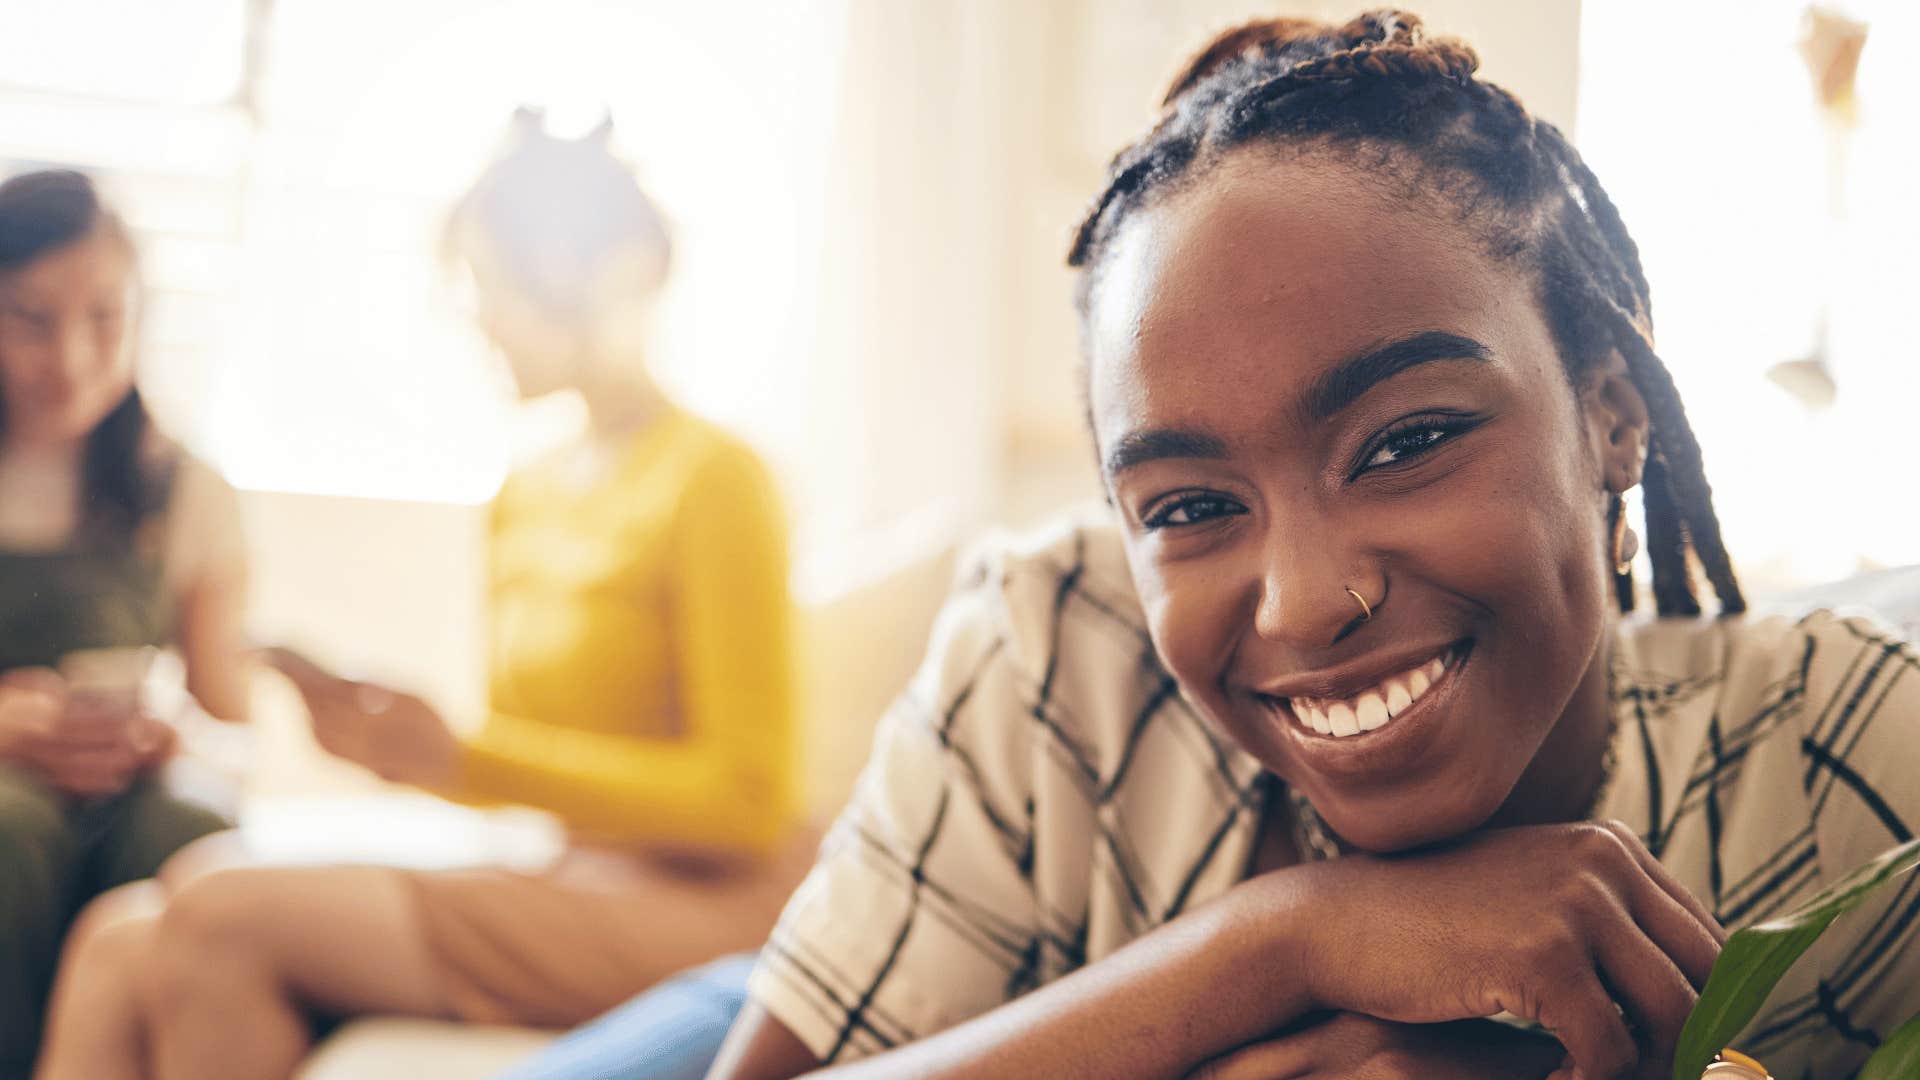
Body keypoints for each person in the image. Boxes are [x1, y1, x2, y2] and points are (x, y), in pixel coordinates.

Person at [710, 13, 1920, 1080]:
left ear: (1613, 419)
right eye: (1188, 507)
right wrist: (1279, 944)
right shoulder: (1052, 649)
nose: (1302, 604)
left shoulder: (1831, 759)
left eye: (1406, 442)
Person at [33, 111, 809, 1080]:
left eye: (493, 288)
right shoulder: (523, 491)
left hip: (708, 904)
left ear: (589, 284)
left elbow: (747, 801)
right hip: (568, 871)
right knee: (120, 935)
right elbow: (532, 766)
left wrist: (458, 760)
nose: (477, 319)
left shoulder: (715, 478)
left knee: (220, 909)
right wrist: (394, 747)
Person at [0, 170, 250, 1079]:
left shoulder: (185, 489)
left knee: (188, 829)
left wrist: (170, 730)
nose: (68, 356)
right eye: (30, 318)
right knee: (8, 829)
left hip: (126, 796)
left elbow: (233, 720)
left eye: (106, 318)